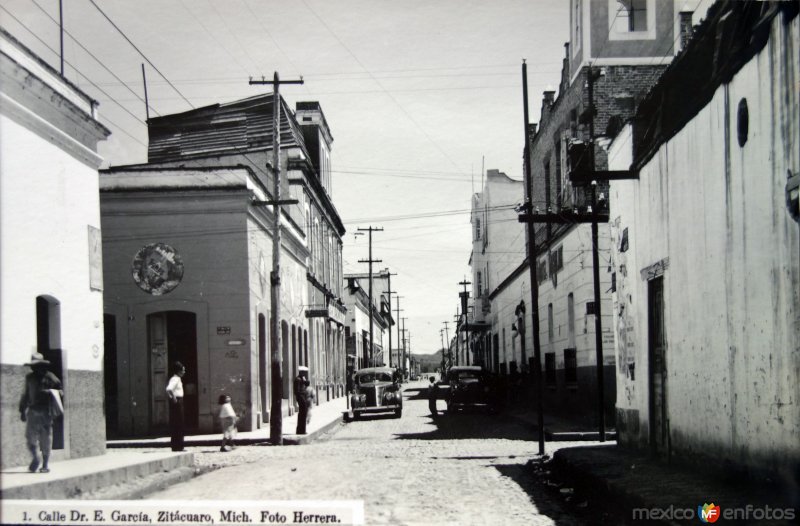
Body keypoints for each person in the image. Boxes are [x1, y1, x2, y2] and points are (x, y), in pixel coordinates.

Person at [19, 352, 63, 473]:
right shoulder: (29, 378)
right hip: (32, 411)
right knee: (30, 438)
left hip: (45, 412)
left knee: (46, 438)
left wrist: (50, 392)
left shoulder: (50, 377)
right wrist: (22, 410)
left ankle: (45, 464)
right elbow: (26, 394)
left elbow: (60, 391)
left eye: (36, 365)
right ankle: (35, 457)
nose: (33, 368)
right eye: (32, 366)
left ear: (41, 365)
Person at [165, 361, 186, 452]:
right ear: (178, 371)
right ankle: (178, 446)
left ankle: (177, 446)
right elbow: (169, 389)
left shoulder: (176, 379)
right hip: (178, 401)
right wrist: (173, 398)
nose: (184, 372)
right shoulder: (175, 379)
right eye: (183, 370)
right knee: (178, 424)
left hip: (178, 401)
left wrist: (171, 397)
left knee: (178, 424)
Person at [293, 366, 310, 434]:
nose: (305, 374)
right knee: (302, 414)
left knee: (303, 414)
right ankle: (300, 430)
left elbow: (307, 384)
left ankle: (302, 430)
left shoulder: (302, 379)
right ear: (301, 372)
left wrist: (305, 380)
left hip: (303, 397)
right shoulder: (297, 379)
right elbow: (297, 391)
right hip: (301, 398)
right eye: (304, 372)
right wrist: (301, 398)